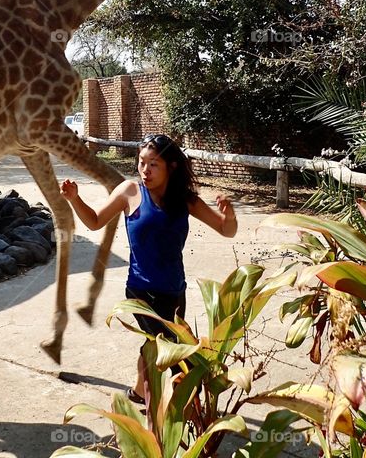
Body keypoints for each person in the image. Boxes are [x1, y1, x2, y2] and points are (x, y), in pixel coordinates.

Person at [59, 133, 237, 404]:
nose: (145, 170)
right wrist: (74, 199)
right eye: (142, 162)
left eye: (153, 164)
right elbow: (94, 221)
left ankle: (139, 391)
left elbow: (226, 230)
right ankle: (180, 408)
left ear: (171, 166)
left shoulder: (184, 199)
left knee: (154, 344)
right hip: (142, 291)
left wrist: (230, 215)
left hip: (175, 291)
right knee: (175, 356)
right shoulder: (129, 192)